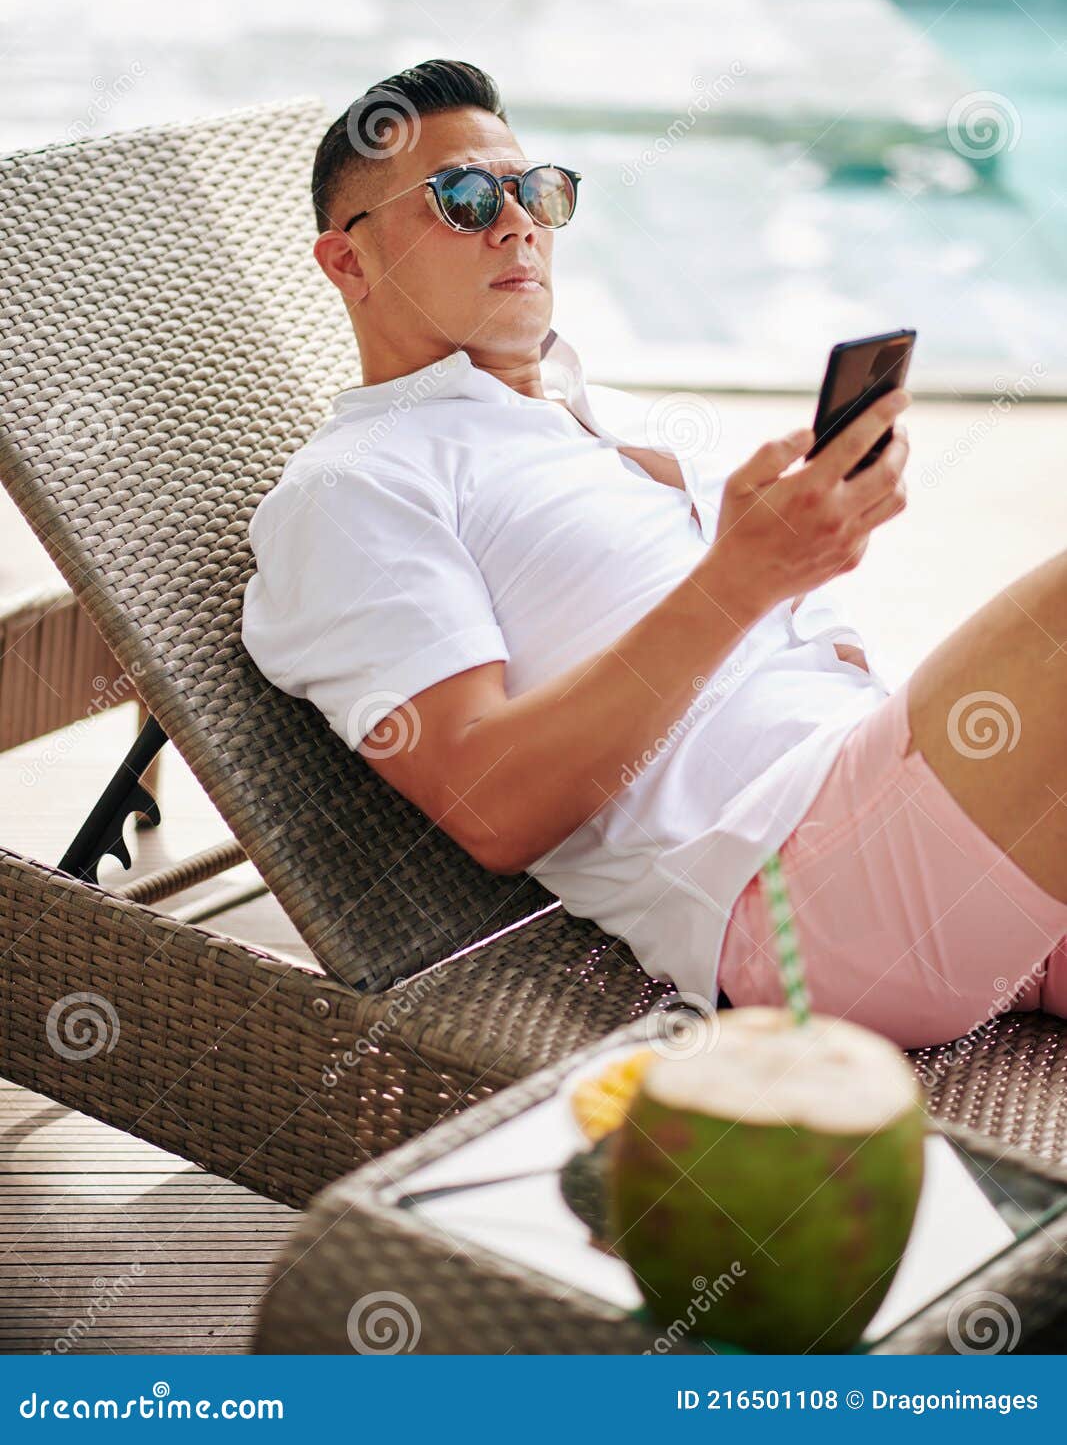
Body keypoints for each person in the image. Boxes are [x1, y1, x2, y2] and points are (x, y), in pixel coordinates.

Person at [241, 58, 1067, 1050]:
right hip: (798, 894)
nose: (516, 224)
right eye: (461, 199)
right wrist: (741, 577)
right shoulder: (358, 485)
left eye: (534, 190)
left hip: (947, 840)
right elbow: (492, 806)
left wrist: (804, 540)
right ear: (347, 263)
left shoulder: (615, 417)